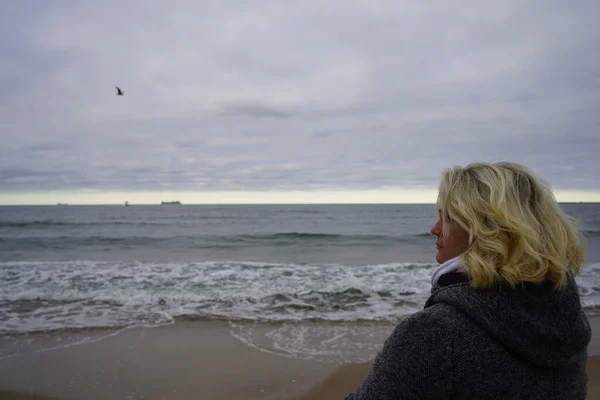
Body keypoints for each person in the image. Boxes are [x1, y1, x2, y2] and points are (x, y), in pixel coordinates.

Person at [344, 161, 591, 399]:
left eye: (449, 218)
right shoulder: (565, 314)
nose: (435, 228)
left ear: (489, 231)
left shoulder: (435, 333)